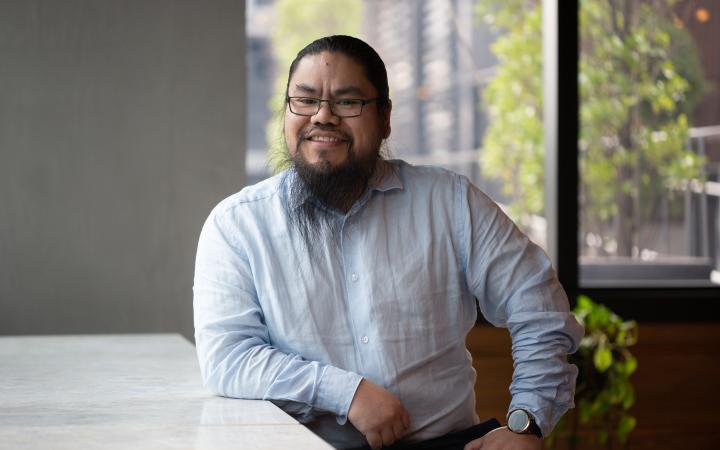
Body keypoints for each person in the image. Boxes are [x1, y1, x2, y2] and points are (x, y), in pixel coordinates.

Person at [193, 35, 584, 450]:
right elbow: (228, 358)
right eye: (304, 100)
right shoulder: (237, 225)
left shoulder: (450, 202)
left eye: (347, 102)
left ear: (385, 118)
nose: (322, 117)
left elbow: (540, 310)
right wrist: (346, 392)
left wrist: (528, 423)